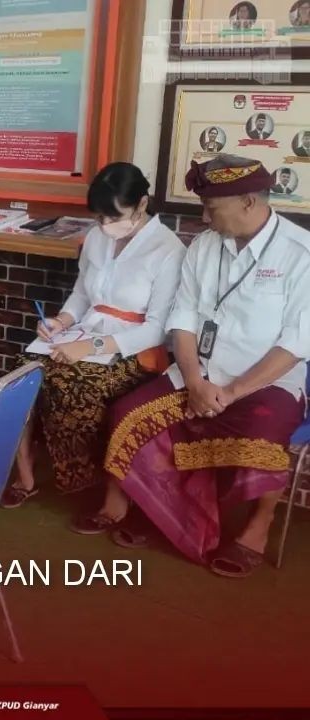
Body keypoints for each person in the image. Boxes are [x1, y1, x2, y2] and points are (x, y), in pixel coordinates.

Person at [74, 155, 310, 578]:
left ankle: (257, 529)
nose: (203, 218)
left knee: (262, 438)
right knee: (128, 416)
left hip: (265, 383)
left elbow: (295, 344)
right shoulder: (204, 246)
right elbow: (181, 320)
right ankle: (137, 504)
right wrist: (196, 381)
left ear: (249, 202)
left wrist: (232, 392)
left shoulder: (300, 254)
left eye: (211, 208)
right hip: (197, 372)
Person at [1, 163, 185, 506]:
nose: (105, 225)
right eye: (99, 217)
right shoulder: (98, 237)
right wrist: (61, 321)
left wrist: (92, 346)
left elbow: (156, 330)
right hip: (83, 334)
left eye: (114, 216)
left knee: (70, 383)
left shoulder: (168, 250)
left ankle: (82, 476)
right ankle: (25, 473)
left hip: (135, 350)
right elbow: (82, 294)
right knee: (19, 373)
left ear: (142, 204)